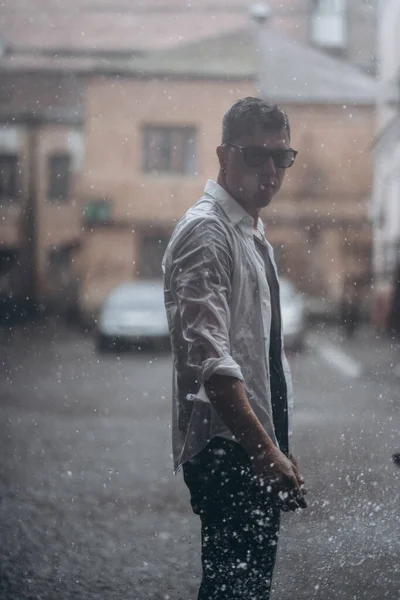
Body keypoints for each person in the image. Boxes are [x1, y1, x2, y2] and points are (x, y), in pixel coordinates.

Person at [162, 97, 307, 600]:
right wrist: (265, 451)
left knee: (244, 588)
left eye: (282, 158)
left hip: (249, 448)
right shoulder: (208, 232)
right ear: (224, 155)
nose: (271, 171)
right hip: (231, 453)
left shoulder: (247, 228)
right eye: (256, 156)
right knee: (234, 591)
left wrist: (275, 446)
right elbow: (212, 360)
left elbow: (258, 353)